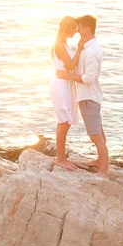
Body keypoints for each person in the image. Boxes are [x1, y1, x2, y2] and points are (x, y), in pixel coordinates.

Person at [56, 15, 108, 178]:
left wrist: (68, 77)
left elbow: (89, 78)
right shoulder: (87, 47)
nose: (77, 30)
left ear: (86, 28)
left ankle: (105, 171)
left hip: (89, 96)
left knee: (94, 135)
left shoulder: (92, 51)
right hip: (88, 95)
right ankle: (100, 160)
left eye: (79, 27)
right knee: (98, 129)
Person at [49, 16, 84, 171]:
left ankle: (60, 157)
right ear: (68, 28)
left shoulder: (63, 44)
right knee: (64, 121)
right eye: (74, 28)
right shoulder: (59, 45)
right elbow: (70, 65)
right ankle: (60, 159)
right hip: (61, 84)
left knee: (63, 121)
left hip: (66, 84)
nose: (76, 31)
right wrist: (80, 49)